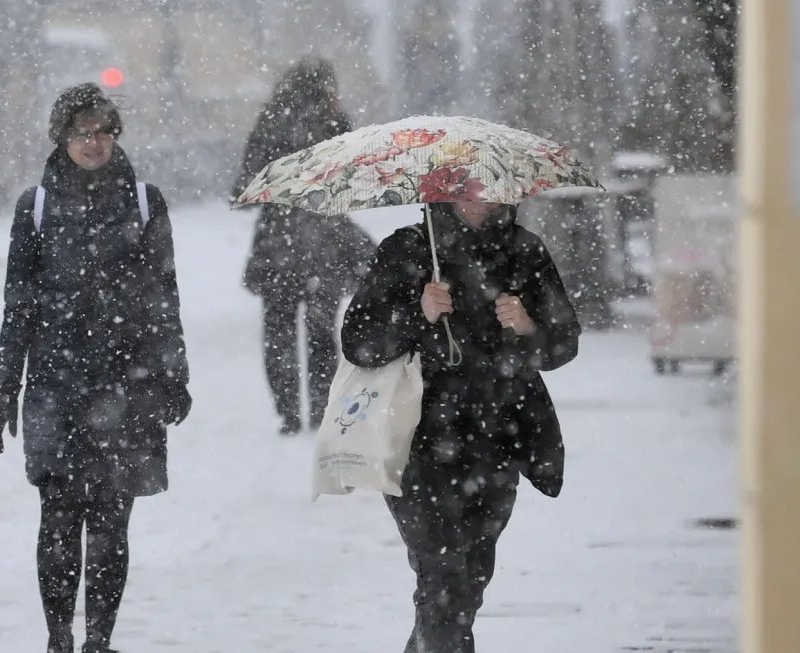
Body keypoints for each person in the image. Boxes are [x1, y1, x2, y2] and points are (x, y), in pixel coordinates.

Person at [0, 83, 192, 653]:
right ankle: (59, 638)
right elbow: (18, 304)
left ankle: (99, 641)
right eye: (82, 132)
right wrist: (6, 387)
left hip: (129, 387)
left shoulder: (146, 201)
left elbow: (164, 298)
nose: (94, 142)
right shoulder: (35, 207)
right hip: (55, 386)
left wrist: (174, 374)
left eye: (103, 131)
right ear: (62, 137)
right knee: (57, 518)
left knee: (111, 524)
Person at [341, 201, 581, 653]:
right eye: (464, 182)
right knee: (443, 578)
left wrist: (529, 327)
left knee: (468, 581)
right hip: (417, 444)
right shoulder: (408, 249)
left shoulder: (524, 251)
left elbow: (563, 344)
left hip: (499, 442)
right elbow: (358, 343)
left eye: (487, 182)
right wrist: (419, 314)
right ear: (442, 189)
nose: (478, 194)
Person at [231, 56, 376, 435]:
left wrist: (279, 191)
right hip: (324, 245)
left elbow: (244, 186)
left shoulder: (271, 122)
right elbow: (352, 183)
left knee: (278, 332)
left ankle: (289, 414)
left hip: (278, 244)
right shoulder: (334, 123)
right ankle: (321, 409)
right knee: (321, 332)